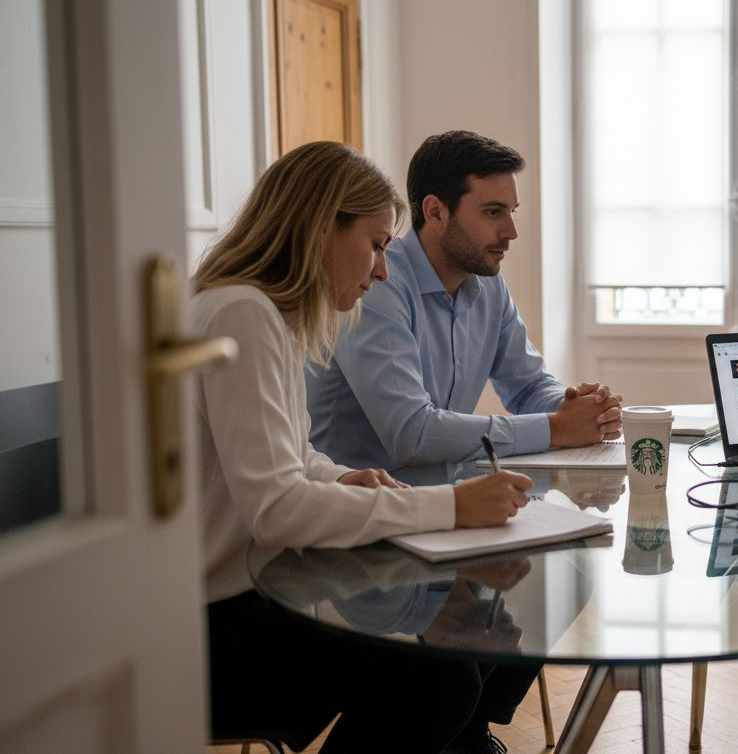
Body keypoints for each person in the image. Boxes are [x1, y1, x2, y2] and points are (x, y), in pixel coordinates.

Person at [193, 140, 537, 754]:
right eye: (377, 244)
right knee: (438, 679)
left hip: (240, 594)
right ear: (320, 228)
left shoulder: (252, 311)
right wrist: (454, 505)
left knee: (454, 662)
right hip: (206, 622)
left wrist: (337, 478)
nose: (382, 269)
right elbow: (275, 508)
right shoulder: (244, 316)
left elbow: (295, 458)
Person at [306, 130, 622, 469]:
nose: (511, 231)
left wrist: (581, 409)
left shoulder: (489, 287)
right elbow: (411, 434)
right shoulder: (375, 286)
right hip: (362, 507)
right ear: (436, 212)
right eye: (492, 212)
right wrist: (555, 427)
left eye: (512, 211)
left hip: (442, 497)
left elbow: (528, 386)